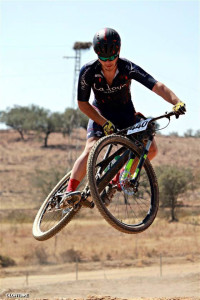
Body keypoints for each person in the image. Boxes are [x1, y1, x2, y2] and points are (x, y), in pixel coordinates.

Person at [62, 27, 186, 205]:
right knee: (90, 148)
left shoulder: (127, 67)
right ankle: (70, 192)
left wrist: (176, 102)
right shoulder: (88, 71)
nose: (108, 61)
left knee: (151, 150)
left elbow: (157, 86)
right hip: (100, 113)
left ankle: (117, 180)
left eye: (112, 56)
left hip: (125, 113)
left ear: (118, 52)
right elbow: (82, 104)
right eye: (103, 58)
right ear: (97, 54)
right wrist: (103, 123)